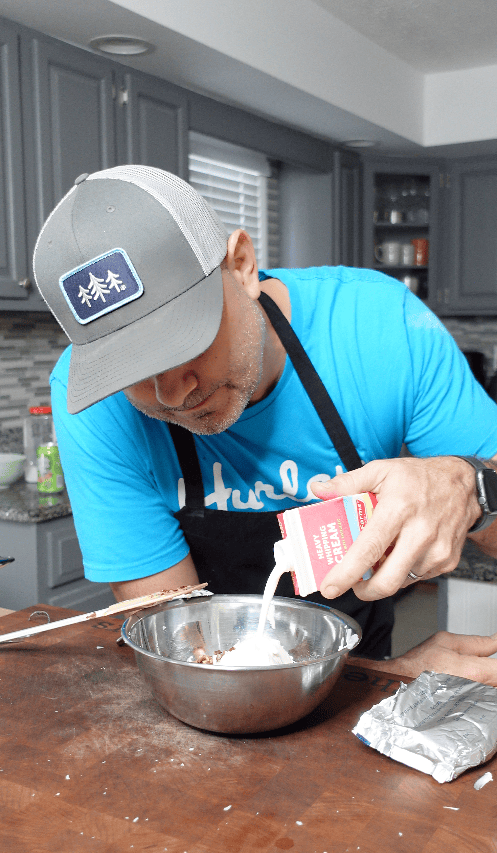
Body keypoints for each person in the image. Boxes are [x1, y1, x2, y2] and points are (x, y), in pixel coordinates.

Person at [33, 165, 497, 671]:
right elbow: (181, 646)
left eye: (186, 343)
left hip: (359, 657)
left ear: (243, 266)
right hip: (215, 690)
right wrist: (384, 680)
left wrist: (470, 484)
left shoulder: (379, 326)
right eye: (132, 371)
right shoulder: (92, 401)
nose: (171, 395)